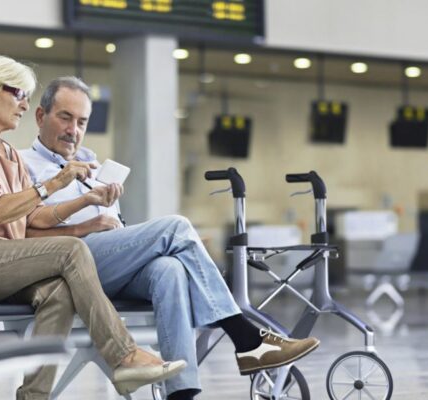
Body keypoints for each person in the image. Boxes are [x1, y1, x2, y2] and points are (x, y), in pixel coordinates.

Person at [20, 77, 320, 400]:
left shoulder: (90, 163)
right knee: (176, 227)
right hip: (69, 266)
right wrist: (86, 226)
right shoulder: (22, 164)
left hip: (109, 264)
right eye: (65, 117)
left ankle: (181, 395)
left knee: (169, 270)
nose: (73, 130)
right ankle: (245, 337)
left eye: (81, 122)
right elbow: (21, 233)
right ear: (40, 116)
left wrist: (111, 219)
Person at [0, 56, 186, 400]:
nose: (24, 104)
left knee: (57, 293)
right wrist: (56, 183)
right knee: (71, 251)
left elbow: (32, 218)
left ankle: (34, 396)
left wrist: (86, 201)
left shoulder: (8, 154)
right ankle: (124, 355)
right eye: (18, 93)